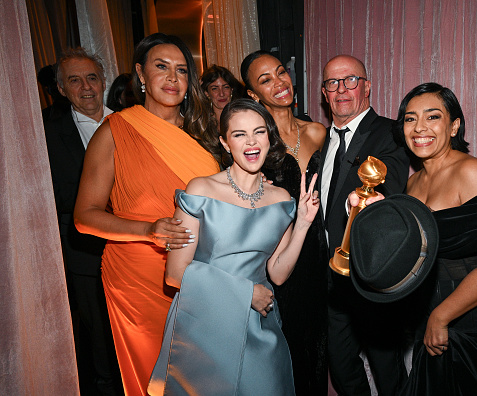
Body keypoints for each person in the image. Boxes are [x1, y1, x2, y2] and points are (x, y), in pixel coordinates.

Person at [354, 82, 477, 395]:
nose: (420, 128)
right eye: (410, 119)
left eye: (433, 117)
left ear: (454, 125)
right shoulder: (412, 184)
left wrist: (441, 317)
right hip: (436, 320)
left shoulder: (472, 172)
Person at [73, 33, 221, 396]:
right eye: (161, 67)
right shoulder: (114, 131)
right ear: (140, 74)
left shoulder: (203, 135)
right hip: (136, 276)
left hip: (197, 273)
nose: (173, 78)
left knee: (202, 375)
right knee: (153, 376)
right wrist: (148, 229)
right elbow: (84, 216)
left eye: (182, 70)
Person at [148, 99, 320, 395]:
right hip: (204, 322)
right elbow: (175, 274)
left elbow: (277, 274)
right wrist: (245, 293)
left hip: (260, 324)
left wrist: (303, 223)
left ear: (269, 137)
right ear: (225, 143)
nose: (251, 142)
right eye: (239, 134)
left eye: (259, 132)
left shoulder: (281, 199)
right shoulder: (200, 190)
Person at [320, 55, 410, 395]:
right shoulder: (320, 140)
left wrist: (355, 203)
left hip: (370, 274)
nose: (341, 89)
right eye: (332, 83)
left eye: (351, 80)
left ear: (367, 86)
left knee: (388, 374)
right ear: (324, 93)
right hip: (330, 279)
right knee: (342, 371)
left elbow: (389, 179)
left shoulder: (389, 132)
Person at [241, 50, 328, 395]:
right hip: (279, 259)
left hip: (321, 254)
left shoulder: (319, 131)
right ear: (252, 95)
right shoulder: (256, 143)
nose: (279, 83)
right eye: (265, 80)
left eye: (281, 73)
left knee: (320, 350)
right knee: (287, 357)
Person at [44, 47, 121, 396]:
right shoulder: (44, 132)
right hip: (85, 250)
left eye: (92, 77)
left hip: (138, 244)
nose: (86, 87)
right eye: (74, 80)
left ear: (104, 81)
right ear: (61, 89)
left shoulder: (130, 121)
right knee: (99, 332)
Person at [200, 64, 244, 129]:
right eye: (215, 88)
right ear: (207, 93)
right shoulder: (201, 123)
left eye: (226, 87)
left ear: (231, 90)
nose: (221, 94)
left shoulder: (243, 117)